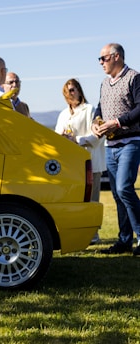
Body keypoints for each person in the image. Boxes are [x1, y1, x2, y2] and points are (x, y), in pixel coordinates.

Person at [92, 43, 140, 255]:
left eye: (103, 58)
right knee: (117, 195)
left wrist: (117, 123)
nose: (100, 62)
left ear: (116, 56)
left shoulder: (134, 77)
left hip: (130, 142)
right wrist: (96, 122)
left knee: (124, 189)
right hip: (110, 146)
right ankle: (124, 240)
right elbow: (100, 107)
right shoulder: (104, 83)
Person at [55, 78, 106, 244]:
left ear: (79, 90)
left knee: (92, 200)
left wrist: (76, 139)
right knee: (75, 201)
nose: (71, 93)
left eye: (73, 89)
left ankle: (93, 236)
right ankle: (78, 234)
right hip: (71, 165)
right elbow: (57, 135)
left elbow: (97, 137)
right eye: (67, 91)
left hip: (91, 162)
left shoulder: (90, 109)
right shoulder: (63, 114)